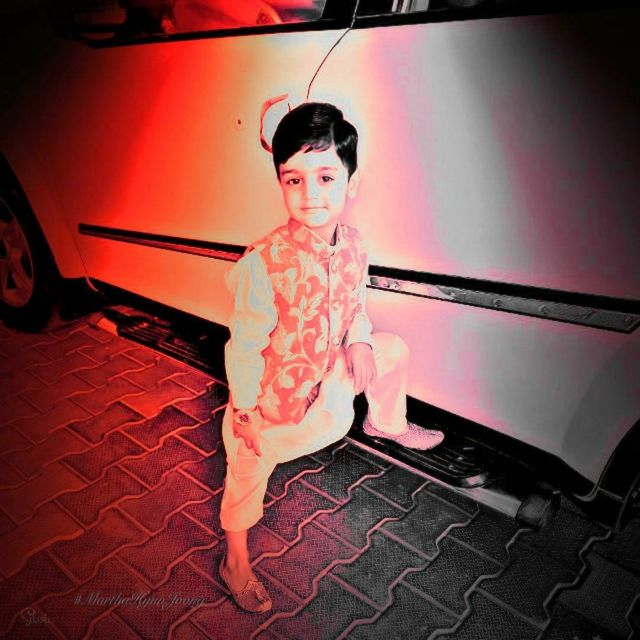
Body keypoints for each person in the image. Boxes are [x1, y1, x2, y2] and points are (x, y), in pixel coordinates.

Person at [218, 102, 444, 613]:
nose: (310, 195)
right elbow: (245, 345)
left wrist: (359, 340)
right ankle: (235, 561)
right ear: (280, 183)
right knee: (246, 472)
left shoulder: (355, 246)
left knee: (391, 348)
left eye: (325, 177)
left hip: (328, 380)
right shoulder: (263, 262)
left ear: (351, 182)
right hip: (274, 402)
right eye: (294, 181)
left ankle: (386, 423)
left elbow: (354, 306)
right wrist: (246, 411)